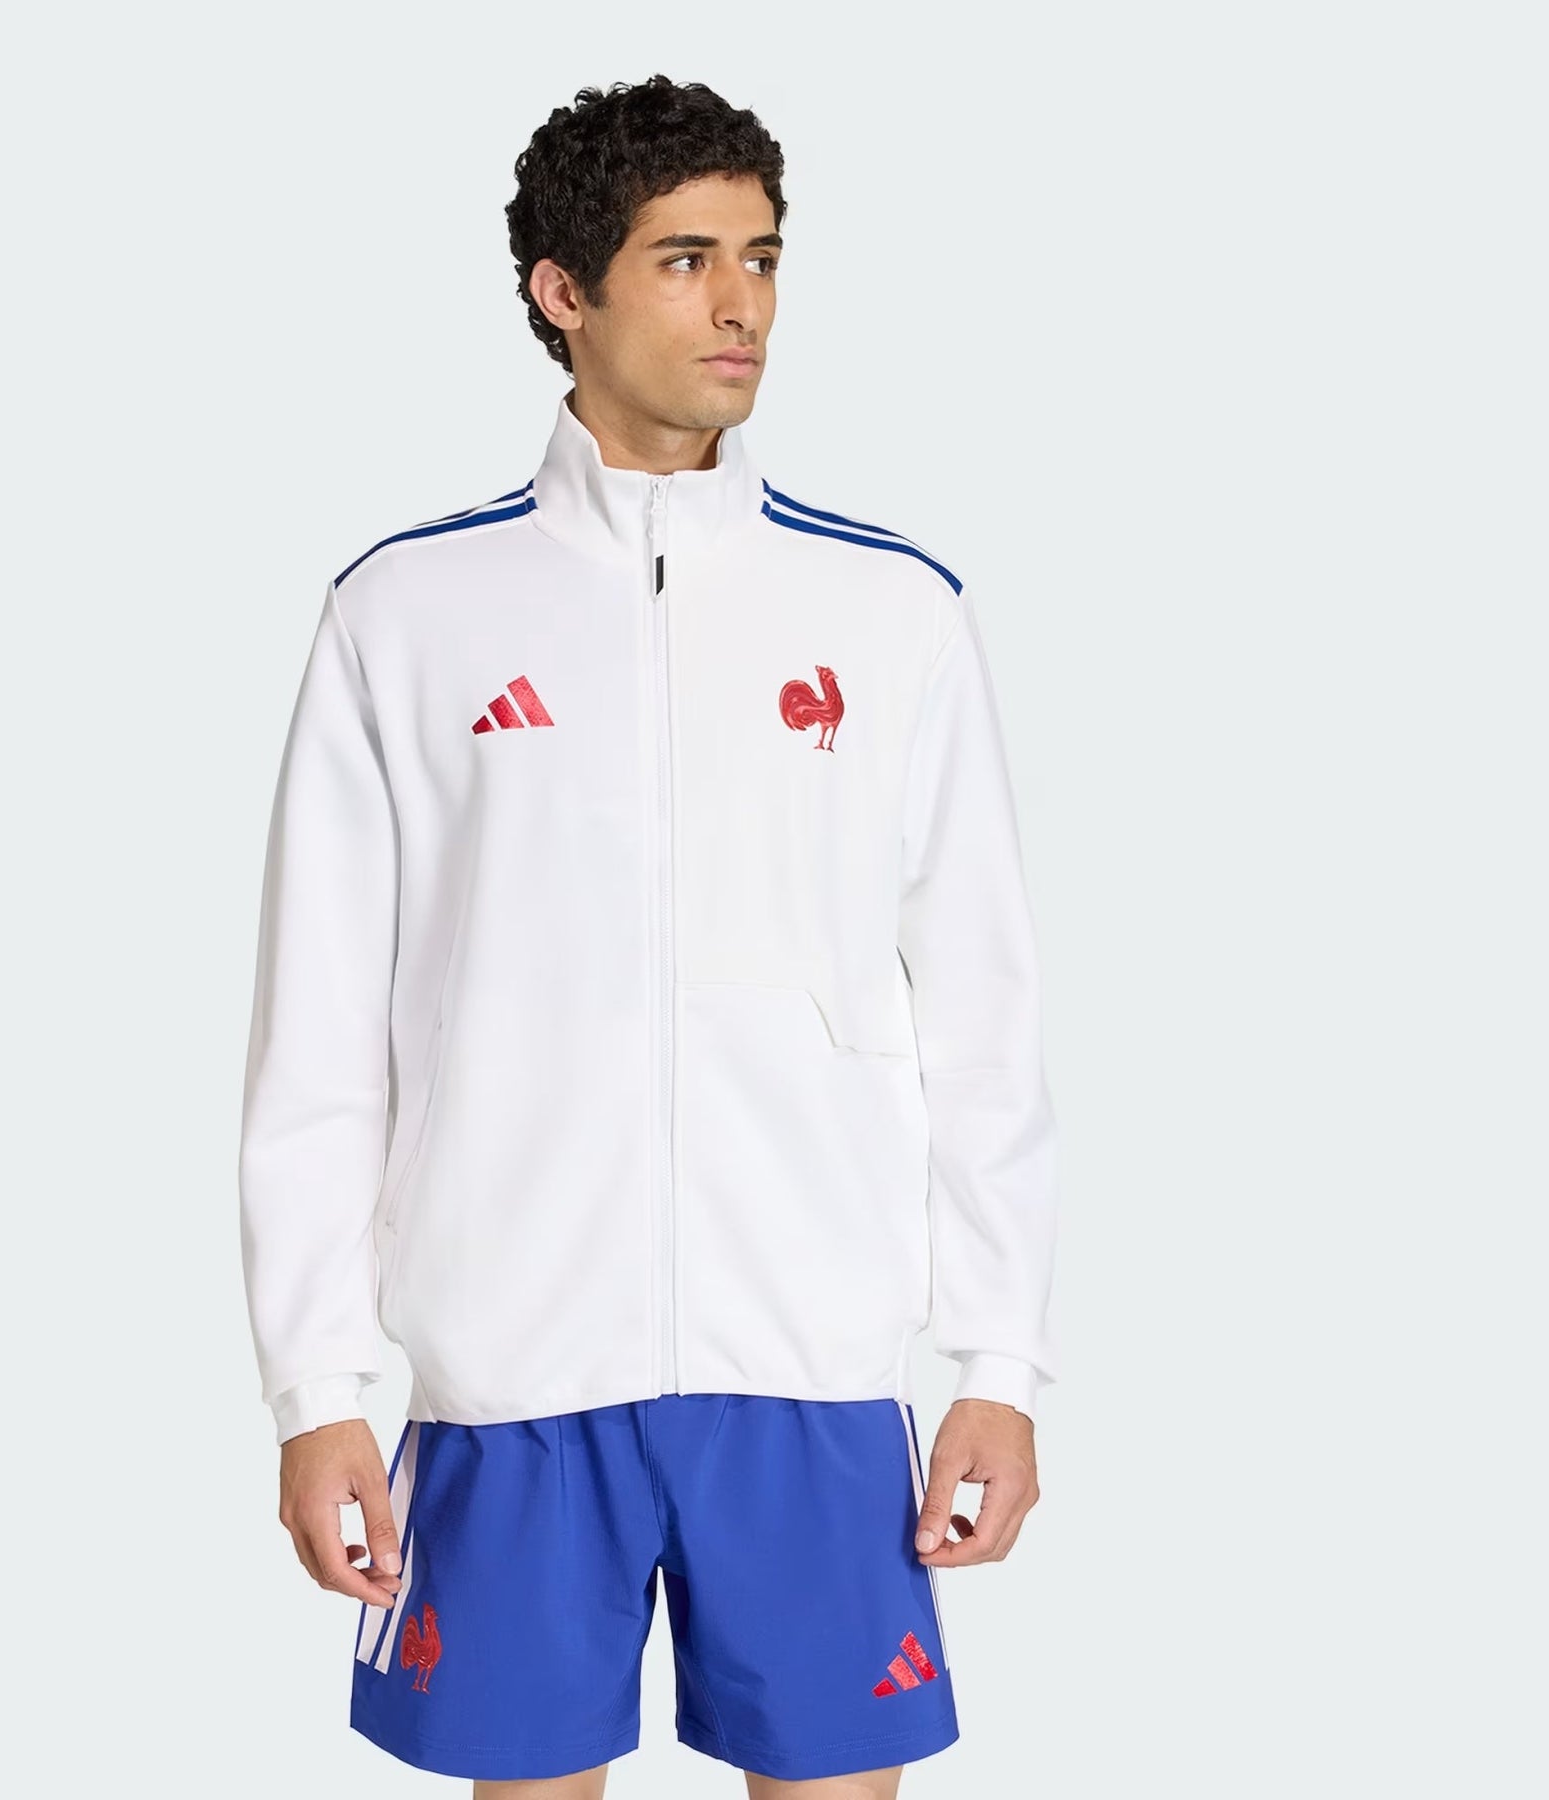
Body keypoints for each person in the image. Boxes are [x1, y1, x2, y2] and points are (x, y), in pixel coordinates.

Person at [238, 74, 1060, 1800]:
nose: (741, 302)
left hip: (813, 1378)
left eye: (761, 256)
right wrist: (316, 1385)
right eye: (685, 260)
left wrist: (999, 1361)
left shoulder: (893, 609)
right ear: (565, 290)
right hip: (513, 1378)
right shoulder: (408, 611)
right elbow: (318, 1036)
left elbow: (983, 1016)